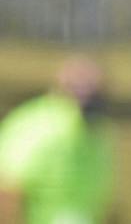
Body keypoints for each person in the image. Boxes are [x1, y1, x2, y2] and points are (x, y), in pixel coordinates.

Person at [0, 57, 120, 224]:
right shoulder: (39, 124)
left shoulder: (99, 129)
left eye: (95, 92)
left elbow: (102, 196)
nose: (90, 98)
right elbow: (7, 186)